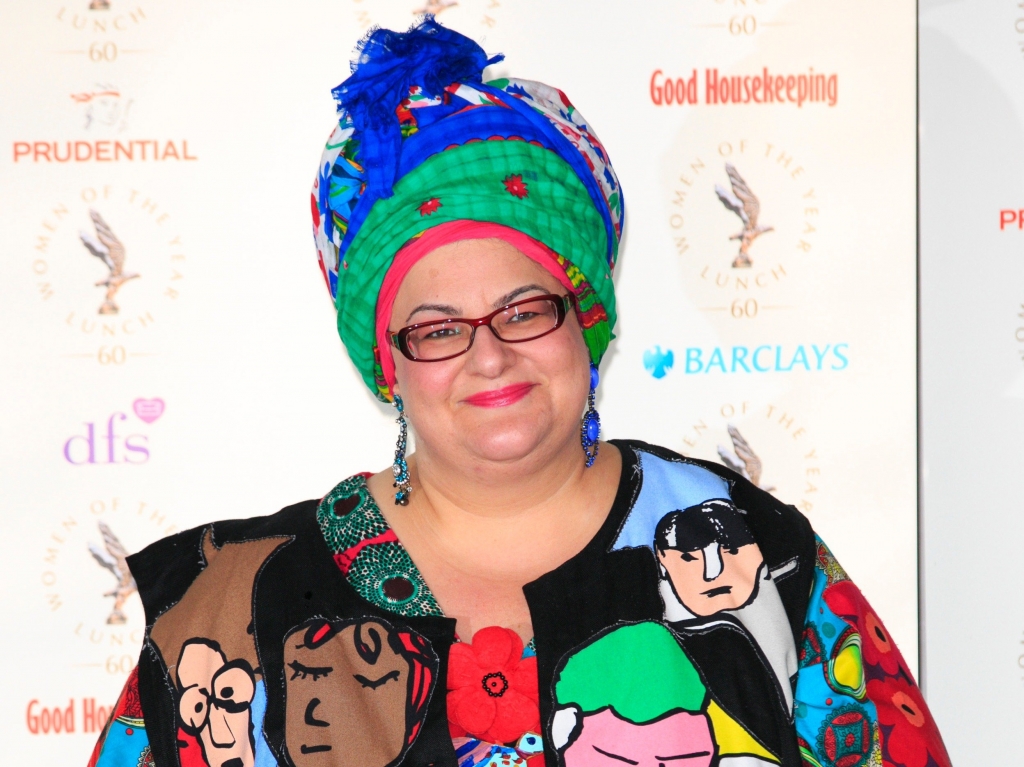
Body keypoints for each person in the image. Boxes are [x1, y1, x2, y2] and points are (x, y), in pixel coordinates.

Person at [88, 18, 950, 767]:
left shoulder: (756, 556)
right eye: (437, 327)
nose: (489, 355)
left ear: (586, 318)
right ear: (389, 363)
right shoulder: (227, 611)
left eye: (524, 309)